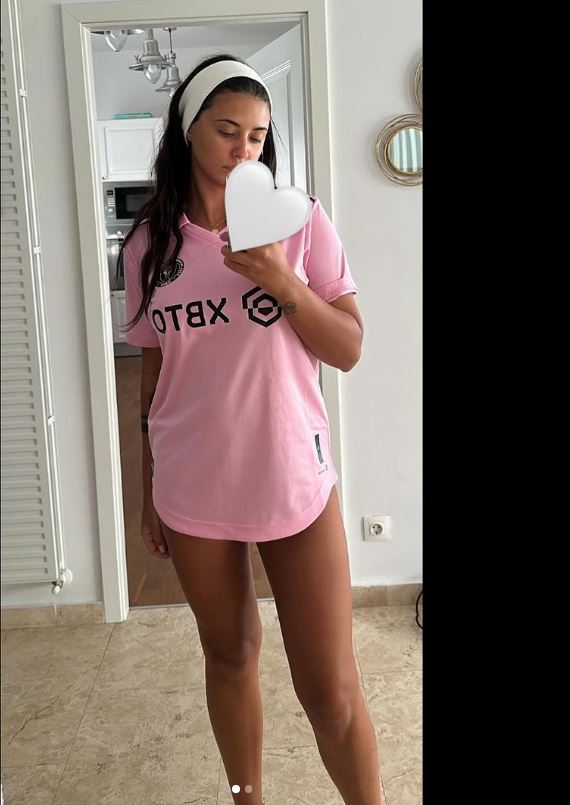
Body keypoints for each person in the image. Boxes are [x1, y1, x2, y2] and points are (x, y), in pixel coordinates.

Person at [118, 53, 382, 805]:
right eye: (227, 130)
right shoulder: (149, 246)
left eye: (258, 136)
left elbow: (348, 348)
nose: (243, 149)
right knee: (229, 657)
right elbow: (153, 373)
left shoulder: (300, 223)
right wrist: (146, 490)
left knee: (329, 688)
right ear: (189, 130)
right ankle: (247, 798)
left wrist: (278, 278)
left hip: (292, 474)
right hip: (192, 482)